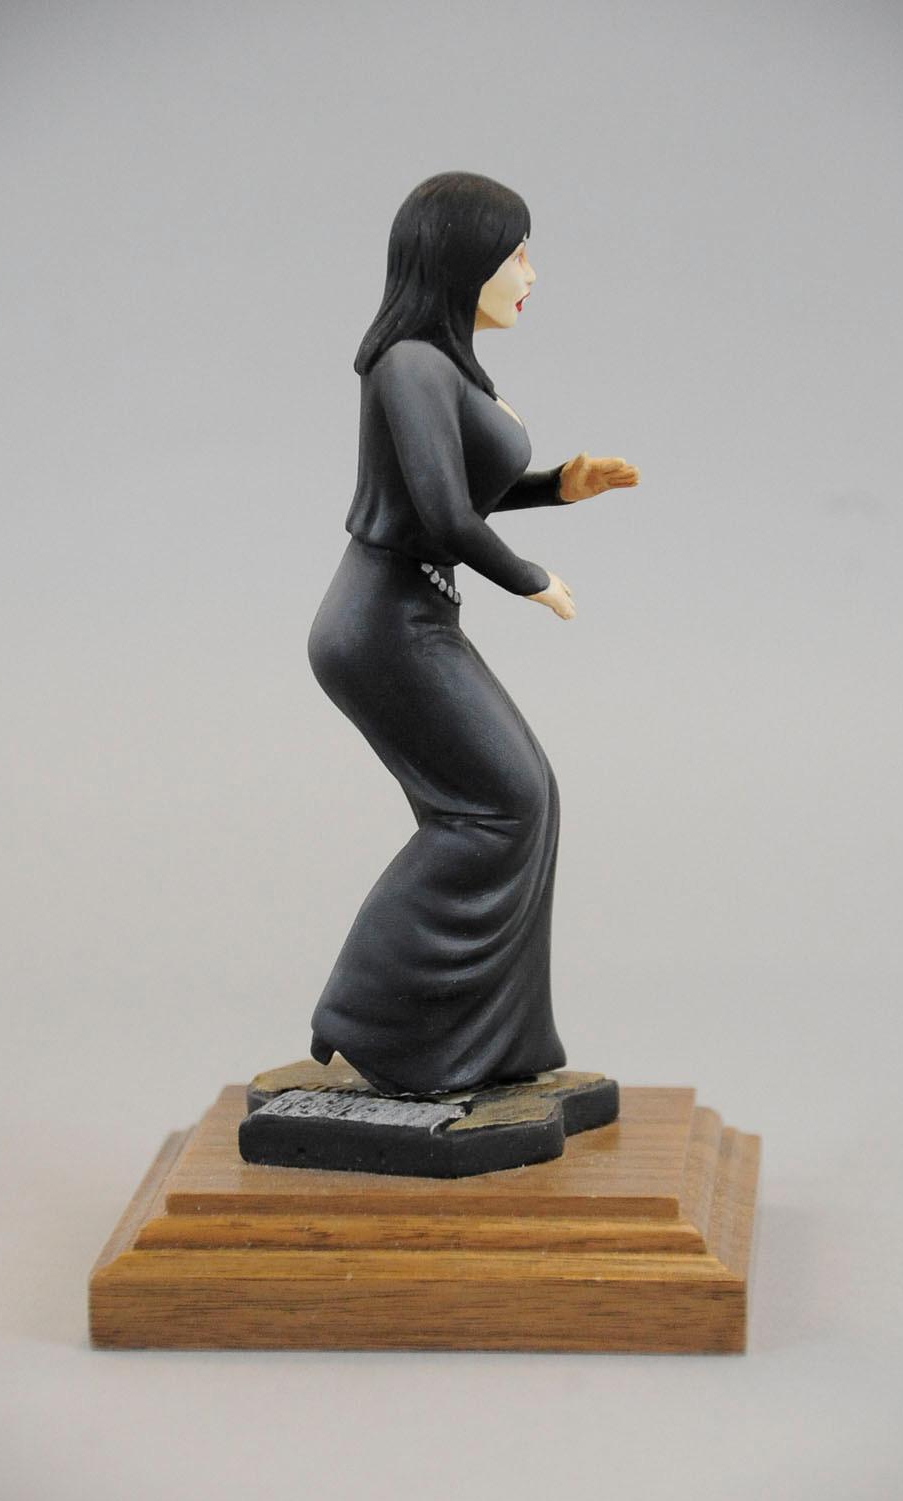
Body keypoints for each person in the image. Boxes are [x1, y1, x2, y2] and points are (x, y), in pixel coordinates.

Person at [307, 171, 639, 1096]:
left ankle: (486, 1044)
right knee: (497, 810)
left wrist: (559, 486)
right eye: (516, 254)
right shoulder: (409, 364)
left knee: (524, 800)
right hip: (380, 624)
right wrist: (533, 579)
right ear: (464, 260)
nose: (530, 274)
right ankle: (367, 1019)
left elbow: (460, 495)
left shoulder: (441, 366)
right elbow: (445, 515)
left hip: (413, 614)